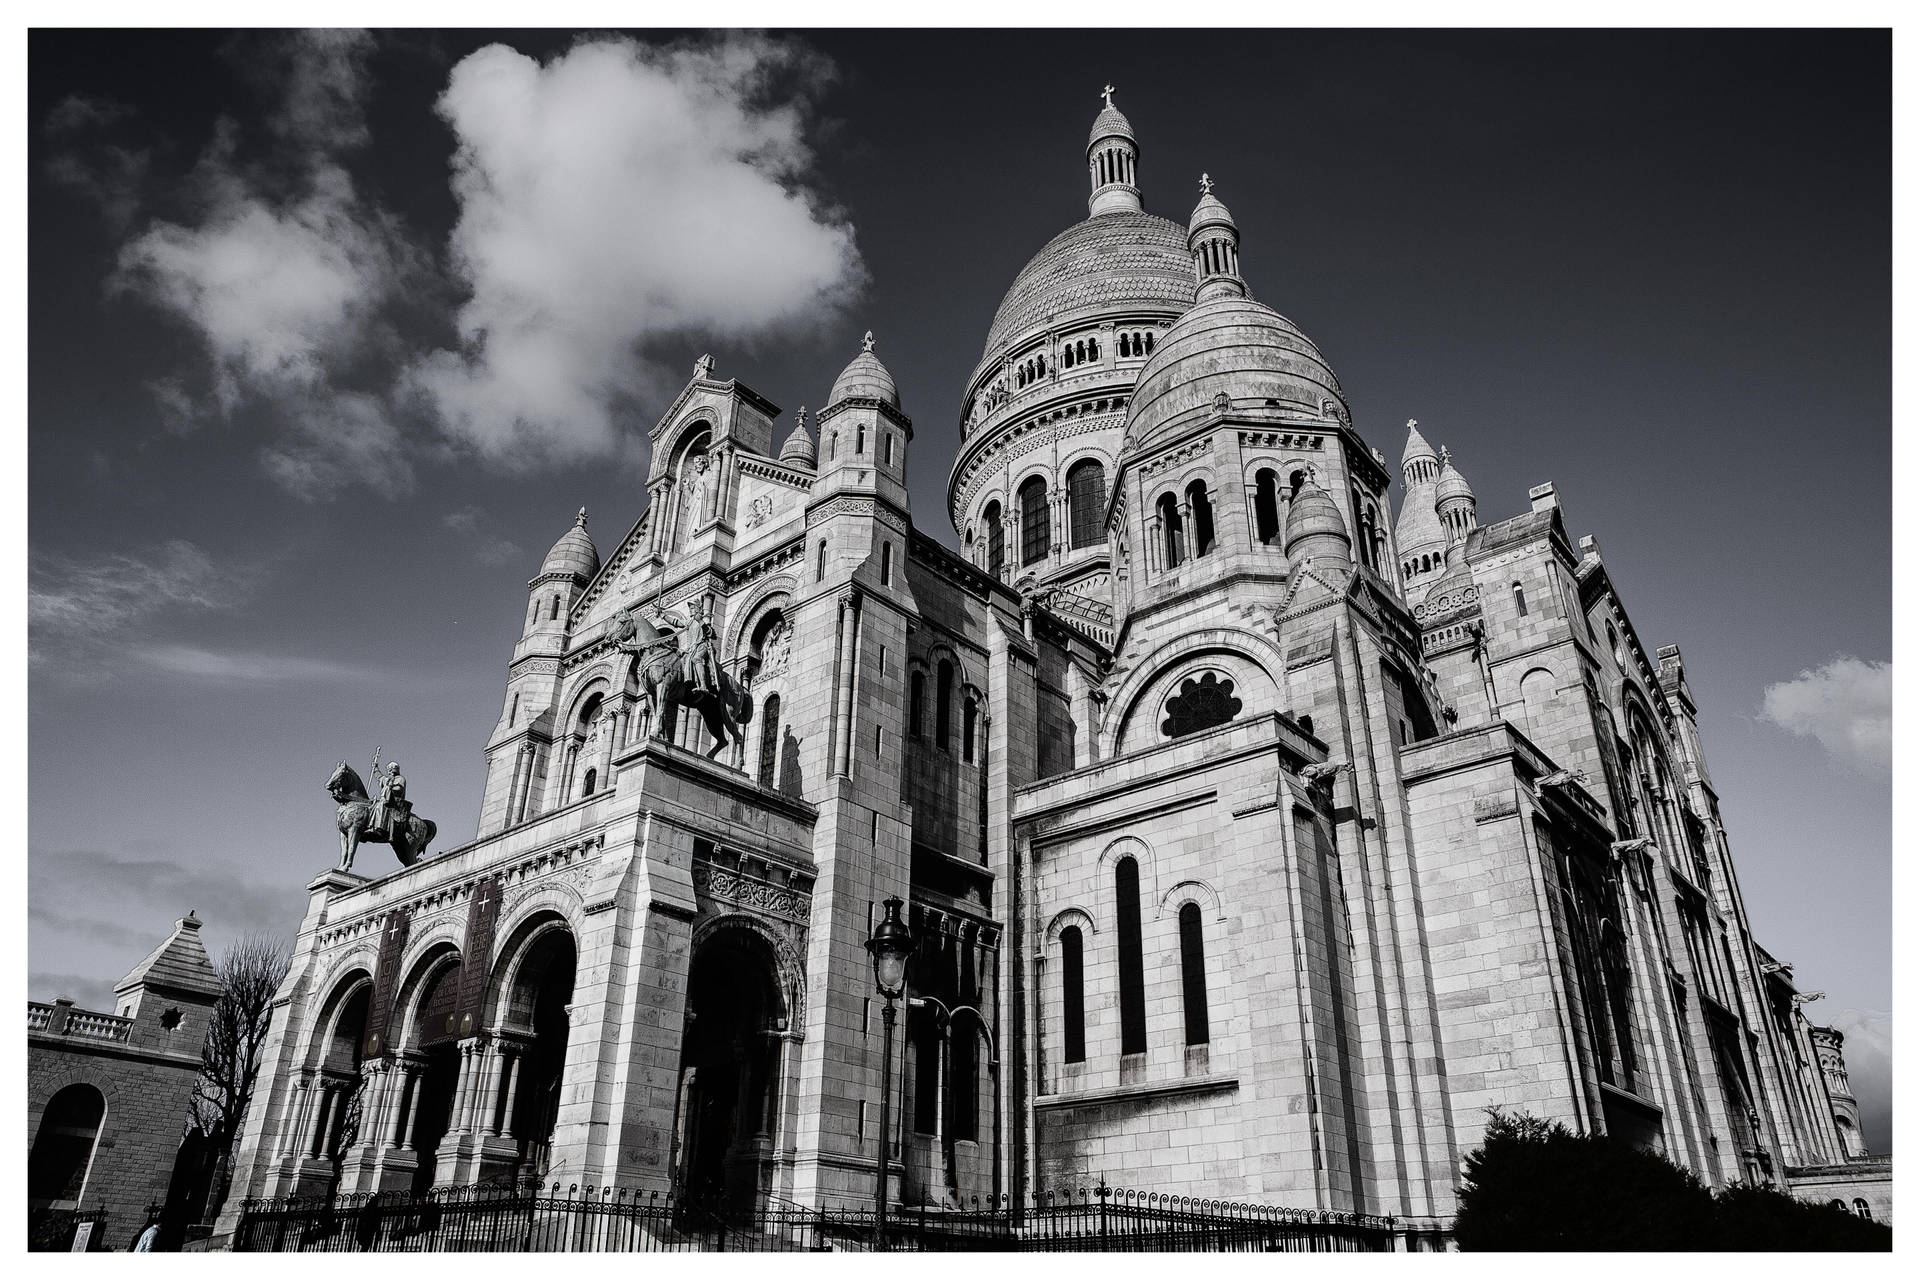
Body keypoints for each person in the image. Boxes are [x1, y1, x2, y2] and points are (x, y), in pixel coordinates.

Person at [375, 762, 407, 839]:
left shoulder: (400, 779)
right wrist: (375, 768)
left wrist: (391, 786)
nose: (390, 772)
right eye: (389, 770)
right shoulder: (387, 779)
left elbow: (399, 789)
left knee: (382, 805)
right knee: (374, 805)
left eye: (392, 770)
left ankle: (380, 827)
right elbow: (380, 777)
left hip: (395, 801)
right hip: (386, 799)